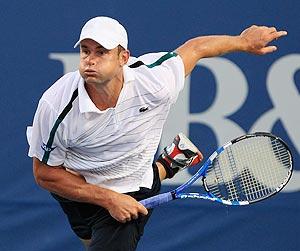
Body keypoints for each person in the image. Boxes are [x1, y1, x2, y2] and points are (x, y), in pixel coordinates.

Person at [27, 16, 287, 250]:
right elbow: (44, 173)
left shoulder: (154, 81)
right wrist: (108, 198)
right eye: (85, 51)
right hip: (78, 183)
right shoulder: (56, 105)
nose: (90, 60)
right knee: (88, 237)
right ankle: (168, 164)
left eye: (101, 52)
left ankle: (163, 166)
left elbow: (195, 48)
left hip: (132, 186)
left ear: (123, 58)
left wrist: (242, 42)